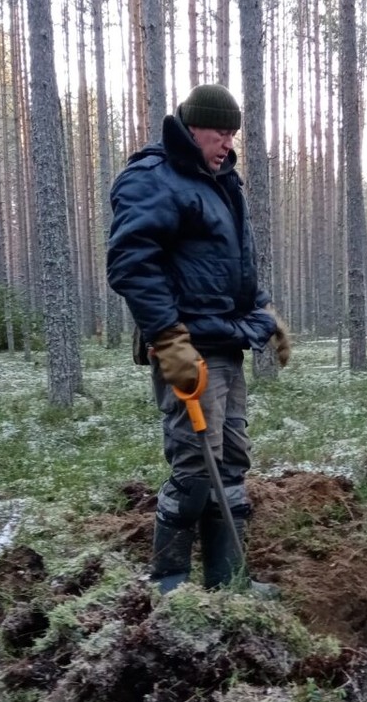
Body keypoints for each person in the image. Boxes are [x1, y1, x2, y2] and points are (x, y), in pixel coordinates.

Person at [106, 84, 289, 594]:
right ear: (192, 128)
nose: (228, 143)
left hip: (225, 342)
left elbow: (234, 268)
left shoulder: (221, 182)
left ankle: (228, 582)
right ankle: (170, 585)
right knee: (194, 467)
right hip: (189, 347)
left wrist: (265, 312)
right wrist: (168, 340)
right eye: (220, 132)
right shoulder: (153, 179)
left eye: (233, 134)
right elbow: (130, 264)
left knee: (230, 462)